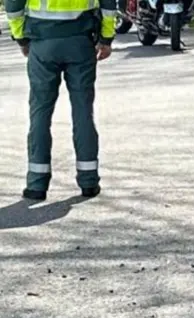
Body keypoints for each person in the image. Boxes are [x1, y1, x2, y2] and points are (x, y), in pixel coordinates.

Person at [5, 0, 117, 201]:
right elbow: (109, 5)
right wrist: (106, 39)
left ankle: (36, 184)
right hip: (81, 42)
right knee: (83, 111)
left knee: (40, 112)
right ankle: (89, 181)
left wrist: (21, 38)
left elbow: (14, 6)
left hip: (42, 43)